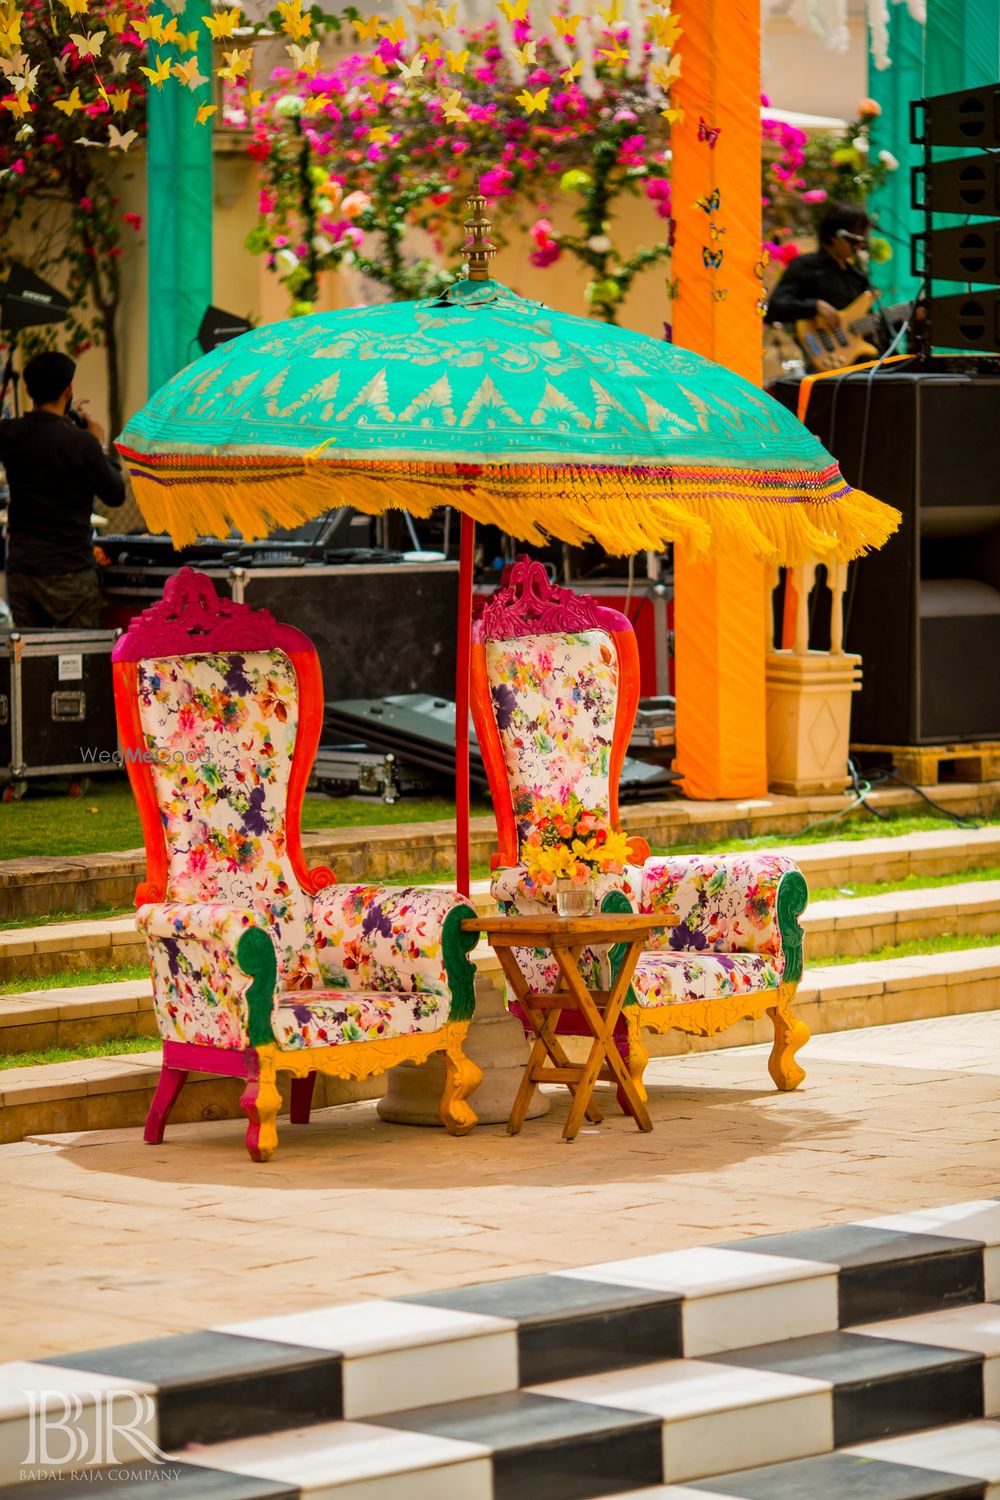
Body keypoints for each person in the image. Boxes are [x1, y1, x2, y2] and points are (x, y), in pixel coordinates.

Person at [0, 351, 125, 628]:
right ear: (68, 389)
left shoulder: (9, 433)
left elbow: (38, 431)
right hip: (70, 571)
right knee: (77, 660)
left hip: (22, 570)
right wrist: (100, 445)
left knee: (30, 660)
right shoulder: (82, 443)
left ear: (29, 390)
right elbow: (115, 495)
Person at [765, 201, 886, 346]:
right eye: (854, 238)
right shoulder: (806, 265)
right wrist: (814, 306)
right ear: (834, 236)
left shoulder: (856, 275)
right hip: (823, 359)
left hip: (862, 359)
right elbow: (775, 308)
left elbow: (871, 322)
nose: (860, 244)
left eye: (862, 238)